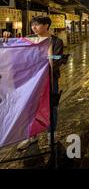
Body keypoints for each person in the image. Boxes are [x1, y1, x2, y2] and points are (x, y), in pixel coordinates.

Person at [3, 16, 65, 150]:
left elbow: (58, 57)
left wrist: (47, 54)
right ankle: (31, 135)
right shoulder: (29, 39)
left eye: (37, 25)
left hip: (50, 79)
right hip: (31, 80)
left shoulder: (56, 41)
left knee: (51, 106)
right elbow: (17, 50)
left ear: (46, 25)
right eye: (32, 25)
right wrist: (7, 37)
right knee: (30, 106)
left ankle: (51, 135)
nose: (33, 28)